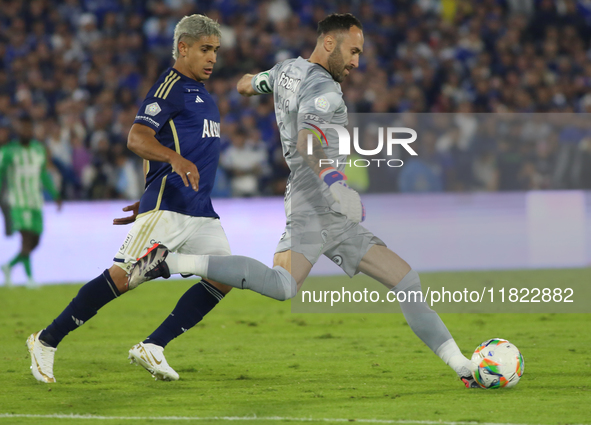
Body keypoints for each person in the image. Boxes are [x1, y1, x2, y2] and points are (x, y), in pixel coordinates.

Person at [130, 13, 479, 388]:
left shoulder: (286, 70)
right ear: (330, 43)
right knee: (284, 285)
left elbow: (251, 83)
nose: (356, 62)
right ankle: (170, 261)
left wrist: (247, 85)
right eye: (353, 51)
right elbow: (307, 140)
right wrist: (336, 184)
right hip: (316, 200)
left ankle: (462, 367)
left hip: (321, 205)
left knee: (404, 281)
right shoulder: (325, 90)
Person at [26, 14, 233, 383]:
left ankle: (153, 346)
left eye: (215, 50)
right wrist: (171, 164)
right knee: (123, 278)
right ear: (182, 48)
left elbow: (157, 148)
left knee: (223, 277)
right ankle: (46, 339)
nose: (212, 58)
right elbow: (137, 138)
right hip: (169, 211)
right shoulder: (169, 87)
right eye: (205, 49)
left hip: (199, 211)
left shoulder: (202, 94)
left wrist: (150, 186)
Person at [0, 115, 62, 288]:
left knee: (35, 240)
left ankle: (8, 266)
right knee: (26, 238)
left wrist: (55, 194)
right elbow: (0, 174)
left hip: (36, 202)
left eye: (29, 128)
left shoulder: (38, 149)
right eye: (22, 128)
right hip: (17, 202)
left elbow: (43, 174)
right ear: (18, 130)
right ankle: (29, 278)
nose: (26, 131)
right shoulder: (8, 151)